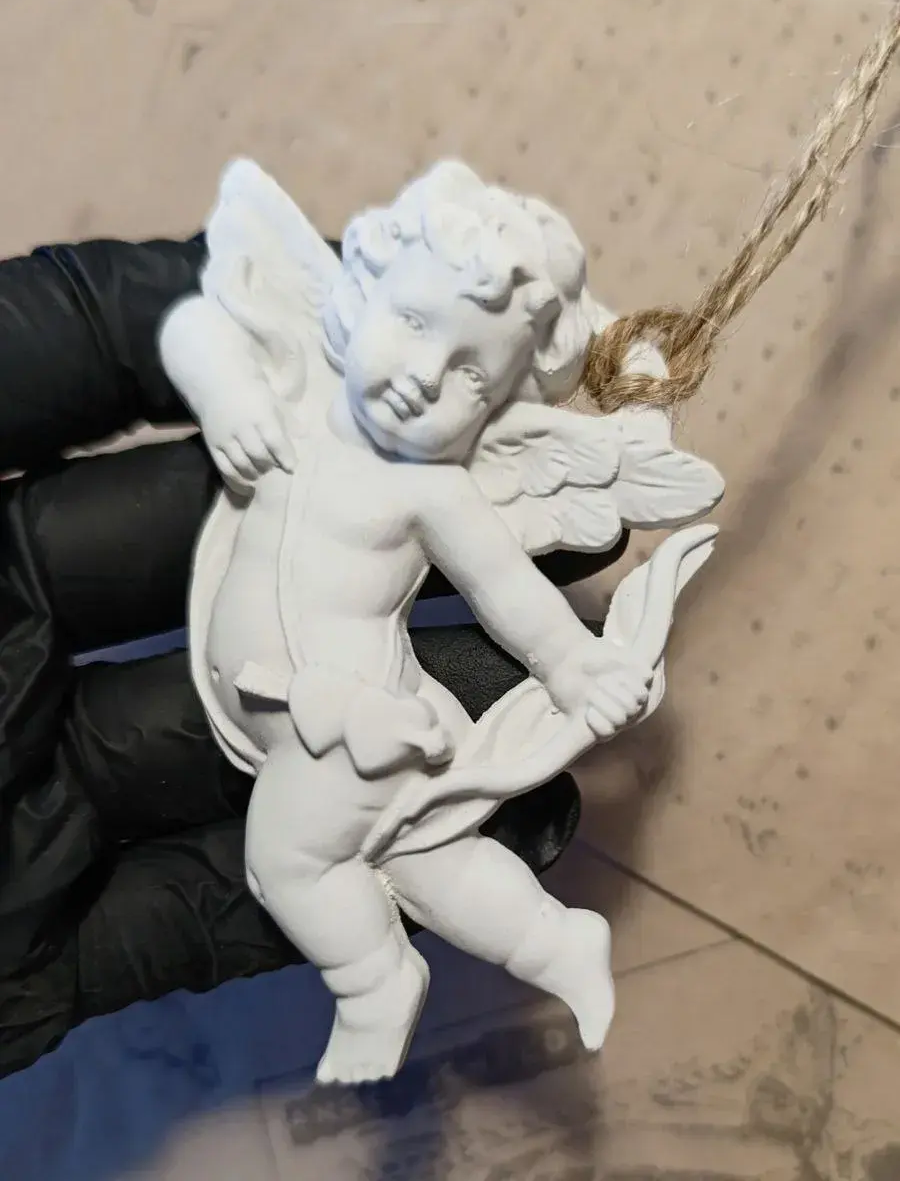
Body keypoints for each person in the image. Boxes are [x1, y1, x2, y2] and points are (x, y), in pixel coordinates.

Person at [0, 226, 631, 1080]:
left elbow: (507, 588)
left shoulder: (438, 489)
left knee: (287, 864)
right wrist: (225, 394)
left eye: (472, 374)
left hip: (350, 718)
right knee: (428, 858)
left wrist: (571, 663)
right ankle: (552, 942)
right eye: (415, 325)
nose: (423, 374)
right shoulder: (296, 397)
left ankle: (375, 983)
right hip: (310, 716)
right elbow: (197, 329)